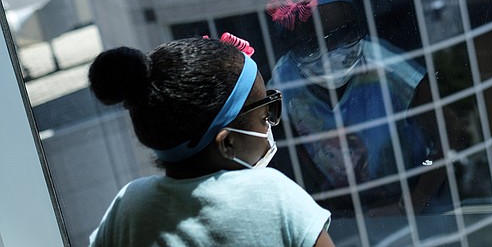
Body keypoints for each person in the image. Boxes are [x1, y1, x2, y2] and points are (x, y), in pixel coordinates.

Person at [86, 33, 335, 247]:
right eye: (264, 116)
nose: (269, 125)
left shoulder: (128, 208)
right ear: (227, 143)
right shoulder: (274, 196)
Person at [266, 0, 449, 218]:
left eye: (344, 35)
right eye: (313, 44)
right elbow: (291, 147)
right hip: (344, 212)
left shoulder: (391, 71)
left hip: (410, 202)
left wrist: (412, 202)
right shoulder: (284, 82)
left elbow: (448, 135)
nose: (333, 53)